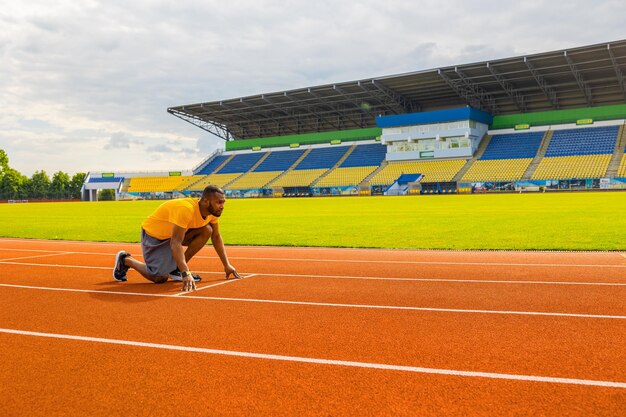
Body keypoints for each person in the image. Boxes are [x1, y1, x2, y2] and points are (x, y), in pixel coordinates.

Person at [113, 185, 240, 292]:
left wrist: (227, 265)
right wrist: (186, 273)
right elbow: (176, 242)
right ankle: (126, 260)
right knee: (160, 278)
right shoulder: (186, 209)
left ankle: (177, 269)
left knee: (207, 230)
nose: (222, 206)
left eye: (223, 202)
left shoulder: (212, 213)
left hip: (172, 235)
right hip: (155, 236)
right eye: (219, 202)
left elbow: (216, 237)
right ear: (206, 201)